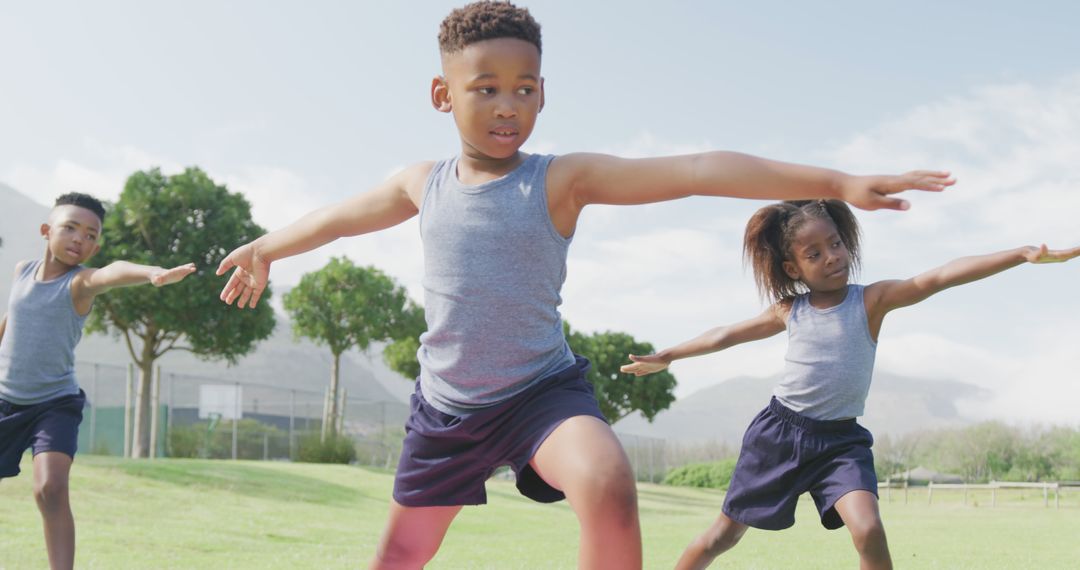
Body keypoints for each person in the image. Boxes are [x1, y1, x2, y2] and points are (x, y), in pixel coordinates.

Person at [214, 3, 953, 568]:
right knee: (401, 556)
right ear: (443, 95)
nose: (509, 105)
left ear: (544, 94)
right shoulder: (421, 183)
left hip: (542, 394)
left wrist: (834, 182)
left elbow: (696, 172)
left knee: (606, 478)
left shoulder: (559, 180)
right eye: (487, 88)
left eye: (524, 88)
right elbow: (338, 219)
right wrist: (267, 248)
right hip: (447, 409)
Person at [621, 199, 1080, 570]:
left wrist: (1020, 255)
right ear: (794, 267)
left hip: (841, 442)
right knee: (723, 536)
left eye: (835, 244)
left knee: (869, 530)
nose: (832, 257)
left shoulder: (872, 301)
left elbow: (938, 277)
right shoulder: (789, 309)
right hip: (779, 435)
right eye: (814, 253)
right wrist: (669, 355)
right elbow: (726, 334)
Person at [0, 192, 195, 570]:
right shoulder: (22, 271)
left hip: (53, 404)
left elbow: (112, 271)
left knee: (50, 488)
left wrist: (150, 273)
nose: (79, 239)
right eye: (70, 228)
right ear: (46, 230)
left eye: (91, 235)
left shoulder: (81, 284)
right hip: (5, 398)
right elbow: (12, 319)